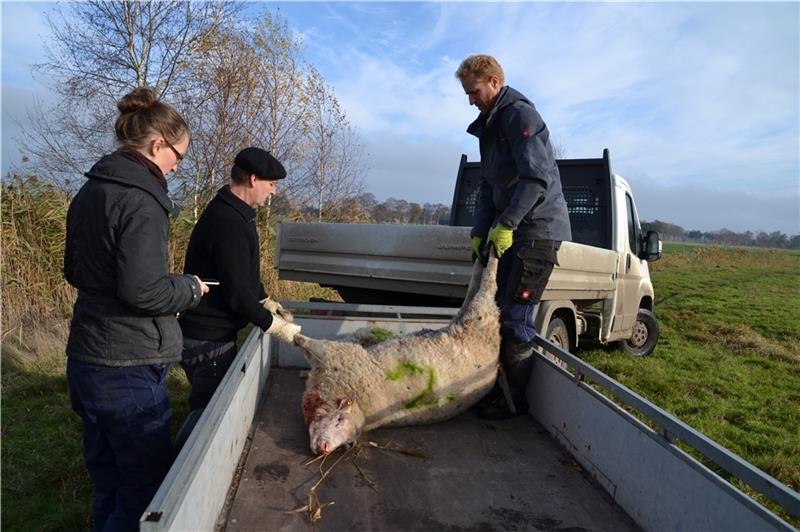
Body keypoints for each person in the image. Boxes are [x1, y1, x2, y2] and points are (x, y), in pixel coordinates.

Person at [64, 86, 209, 531]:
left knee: (107, 478)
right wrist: (189, 289)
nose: (177, 166)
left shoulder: (91, 190)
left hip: (86, 357)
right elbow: (143, 291)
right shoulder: (142, 198)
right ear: (156, 144)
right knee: (143, 487)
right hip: (126, 366)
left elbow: (74, 270)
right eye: (177, 156)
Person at [455, 54, 572, 420]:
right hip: (512, 229)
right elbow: (490, 187)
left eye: (473, 92)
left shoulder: (521, 116)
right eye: (467, 94)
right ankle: (493, 388)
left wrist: (507, 224)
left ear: (493, 81)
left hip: (535, 232)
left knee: (515, 320)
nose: (470, 100)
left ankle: (512, 403)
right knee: (494, 312)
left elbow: (535, 179)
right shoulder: (490, 128)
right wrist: (480, 230)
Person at [178, 147, 300, 418]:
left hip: (211, 335)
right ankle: (182, 458)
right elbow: (235, 294)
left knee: (211, 408)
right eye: (271, 184)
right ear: (253, 179)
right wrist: (275, 327)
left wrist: (265, 299)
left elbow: (242, 276)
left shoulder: (237, 213)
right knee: (209, 417)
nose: (274, 191)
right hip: (207, 338)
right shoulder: (227, 222)